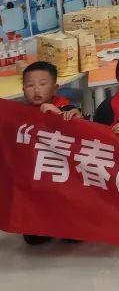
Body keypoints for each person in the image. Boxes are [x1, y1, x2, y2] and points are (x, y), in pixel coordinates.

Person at [19, 61, 79, 245]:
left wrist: (58, 114)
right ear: (23, 89)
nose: (36, 90)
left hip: (64, 175)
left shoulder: (67, 108)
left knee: (73, 235)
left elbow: (83, 131)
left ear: (55, 88)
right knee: (33, 239)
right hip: (37, 179)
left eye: (43, 84)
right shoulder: (18, 115)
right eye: (30, 85)